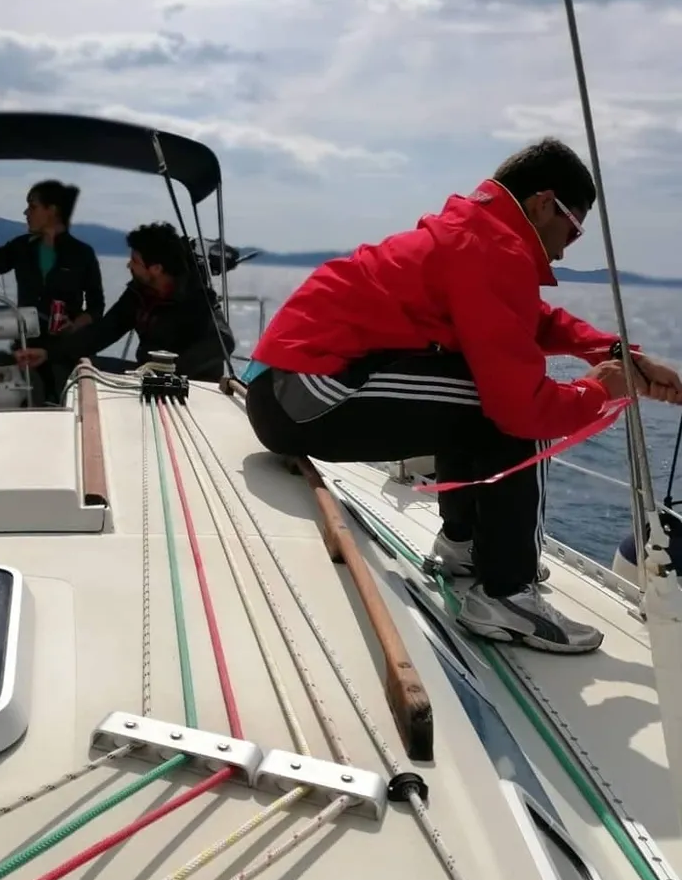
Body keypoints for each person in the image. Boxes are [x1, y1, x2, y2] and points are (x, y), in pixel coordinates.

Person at [243, 137, 682, 655]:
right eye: (573, 228)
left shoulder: (475, 235)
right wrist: (599, 389)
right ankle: (507, 594)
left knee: (487, 387)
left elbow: (531, 319)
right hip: (304, 396)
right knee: (505, 402)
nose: (566, 248)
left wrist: (614, 351)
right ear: (545, 205)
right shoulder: (491, 248)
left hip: (284, 390)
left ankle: (465, 546)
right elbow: (523, 409)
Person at [15, 221, 235, 384]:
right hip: (146, 377)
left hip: (193, 386)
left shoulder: (195, 296)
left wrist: (172, 373)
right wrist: (48, 353)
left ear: (156, 269)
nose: (129, 265)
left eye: (135, 261)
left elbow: (224, 340)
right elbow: (102, 332)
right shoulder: (138, 294)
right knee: (77, 367)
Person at [0, 180, 104, 399]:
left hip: (66, 351)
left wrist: (74, 325)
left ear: (52, 210)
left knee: (58, 398)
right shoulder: (20, 247)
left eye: (32, 206)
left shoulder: (82, 253)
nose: (26, 212)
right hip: (25, 348)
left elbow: (97, 307)